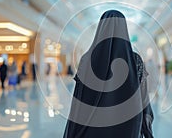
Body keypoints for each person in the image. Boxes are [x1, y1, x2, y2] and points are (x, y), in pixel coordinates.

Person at [63, 10, 154, 138]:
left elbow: (79, 98)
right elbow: (143, 98)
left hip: (92, 128)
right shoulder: (135, 60)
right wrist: (147, 129)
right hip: (129, 127)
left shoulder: (87, 59)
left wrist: (73, 131)